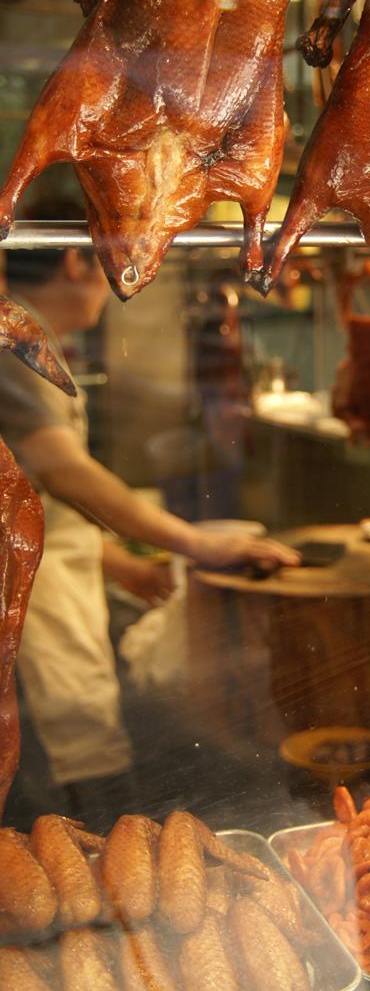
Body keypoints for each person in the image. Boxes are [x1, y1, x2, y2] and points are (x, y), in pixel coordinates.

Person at [0, 210, 298, 828]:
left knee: (81, 740)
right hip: (36, 600)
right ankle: (94, 870)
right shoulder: (13, 344)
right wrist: (198, 545)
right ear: (77, 259)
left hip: (57, 580)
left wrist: (118, 566)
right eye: (113, 260)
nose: (119, 281)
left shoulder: (30, 340)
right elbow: (62, 472)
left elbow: (35, 496)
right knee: (77, 758)